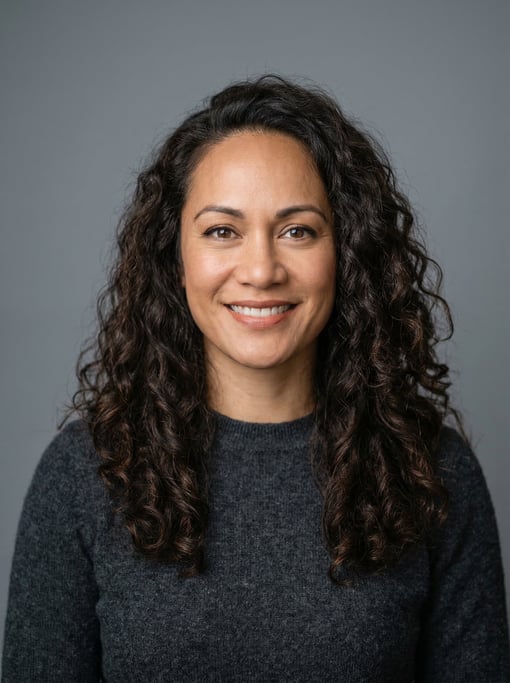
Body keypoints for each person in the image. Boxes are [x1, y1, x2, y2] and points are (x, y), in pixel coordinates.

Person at [2, 75, 509, 682]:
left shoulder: (433, 472)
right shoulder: (85, 473)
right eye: (223, 231)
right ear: (175, 255)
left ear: (345, 250)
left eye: (298, 230)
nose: (262, 270)